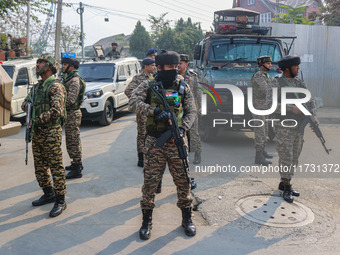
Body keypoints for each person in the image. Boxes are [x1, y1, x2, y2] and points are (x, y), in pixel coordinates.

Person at [129, 50, 197, 240]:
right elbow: (133, 102)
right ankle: (146, 221)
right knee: (150, 183)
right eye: (170, 67)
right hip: (155, 142)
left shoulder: (183, 86)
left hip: (177, 141)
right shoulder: (148, 85)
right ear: (159, 68)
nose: (175, 71)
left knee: (183, 181)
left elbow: (192, 111)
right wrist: (153, 111)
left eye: (176, 67)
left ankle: (187, 219)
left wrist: (183, 128)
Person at [267, 55, 318, 203]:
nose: (299, 68)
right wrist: (290, 109)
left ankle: (284, 183)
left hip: (299, 127)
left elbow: (311, 101)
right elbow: (269, 104)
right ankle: (287, 185)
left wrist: (314, 117)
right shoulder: (276, 83)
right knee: (286, 157)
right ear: (288, 68)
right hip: (284, 128)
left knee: (295, 156)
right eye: (296, 66)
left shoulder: (300, 83)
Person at [21, 55, 67, 217]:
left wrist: (36, 119)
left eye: (40, 62)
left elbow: (56, 111)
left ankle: (60, 200)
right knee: (40, 167)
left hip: (51, 133)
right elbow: (24, 103)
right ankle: (48, 193)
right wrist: (28, 107)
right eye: (37, 62)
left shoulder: (55, 86)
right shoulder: (37, 87)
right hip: (38, 133)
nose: (37, 65)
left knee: (56, 166)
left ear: (48, 66)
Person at [125, 58, 156, 168]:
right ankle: (141, 157)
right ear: (146, 66)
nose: (154, 67)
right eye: (152, 65)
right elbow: (128, 91)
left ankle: (152, 155)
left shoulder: (155, 77)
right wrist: (139, 101)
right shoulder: (138, 78)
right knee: (142, 134)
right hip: (143, 112)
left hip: (153, 110)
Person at [61, 57, 86, 179]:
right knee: (70, 141)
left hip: (72, 113)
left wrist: (57, 103)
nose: (63, 66)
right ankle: (75, 163)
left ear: (71, 66)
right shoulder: (69, 79)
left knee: (73, 141)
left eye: (65, 64)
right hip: (69, 114)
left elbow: (70, 100)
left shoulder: (74, 81)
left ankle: (77, 168)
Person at [178, 54, 202, 164]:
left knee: (193, 132)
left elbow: (198, 92)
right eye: (177, 63)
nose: (178, 65)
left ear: (186, 64)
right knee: (179, 132)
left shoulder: (193, 76)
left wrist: (201, 106)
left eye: (180, 63)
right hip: (178, 108)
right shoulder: (174, 76)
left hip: (191, 109)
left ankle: (198, 153)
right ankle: (181, 154)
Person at [250, 56, 273, 166]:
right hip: (258, 107)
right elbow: (266, 89)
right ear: (262, 64)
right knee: (260, 131)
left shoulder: (266, 75)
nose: (270, 65)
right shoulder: (259, 75)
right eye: (268, 63)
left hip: (264, 107)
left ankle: (263, 152)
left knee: (265, 130)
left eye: (270, 63)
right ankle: (258, 157)